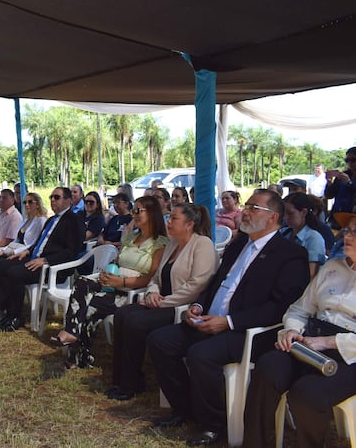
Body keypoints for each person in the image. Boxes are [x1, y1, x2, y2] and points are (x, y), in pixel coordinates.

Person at [147, 189, 310, 446]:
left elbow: (279, 308)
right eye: (247, 205)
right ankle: (184, 408)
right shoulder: (238, 245)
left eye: (254, 208)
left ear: (273, 217)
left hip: (248, 331)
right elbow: (214, 285)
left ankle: (214, 424)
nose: (245, 211)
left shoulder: (290, 254)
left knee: (201, 355)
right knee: (160, 340)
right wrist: (199, 307)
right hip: (211, 319)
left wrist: (229, 322)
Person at [243, 213, 356, 448]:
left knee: (307, 393)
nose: (347, 236)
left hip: (349, 354)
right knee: (268, 367)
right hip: (311, 341)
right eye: (347, 230)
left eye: (355, 232)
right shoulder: (333, 267)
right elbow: (299, 309)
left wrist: (328, 342)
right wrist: (291, 331)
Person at [106, 203, 218, 401]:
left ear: (189, 224)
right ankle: (121, 378)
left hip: (180, 307)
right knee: (122, 314)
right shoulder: (173, 243)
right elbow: (156, 277)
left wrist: (164, 302)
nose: (169, 222)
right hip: (159, 301)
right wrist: (152, 293)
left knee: (135, 322)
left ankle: (130, 383)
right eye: (170, 217)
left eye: (174, 218)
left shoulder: (202, 245)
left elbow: (196, 286)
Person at [52, 195, 168, 369]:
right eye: (133, 210)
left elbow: (151, 277)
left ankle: (77, 355)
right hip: (114, 281)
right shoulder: (130, 238)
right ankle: (71, 333)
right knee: (81, 282)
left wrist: (120, 282)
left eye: (138, 211)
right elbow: (118, 261)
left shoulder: (160, 243)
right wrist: (109, 273)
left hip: (132, 290)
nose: (134, 214)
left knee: (89, 308)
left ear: (152, 214)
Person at [0, 187, 83, 332]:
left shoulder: (74, 220)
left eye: (56, 197)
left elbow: (72, 251)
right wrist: (26, 251)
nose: (52, 200)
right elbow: (39, 242)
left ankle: (16, 316)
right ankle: (7, 311)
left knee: (13, 273)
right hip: (35, 258)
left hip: (54, 267)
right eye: (51, 197)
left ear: (68, 200)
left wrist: (46, 260)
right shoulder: (52, 220)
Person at [0, 192, 48, 310]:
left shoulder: (41, 221)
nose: (27, 205)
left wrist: (13, 252)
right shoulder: (26, 219)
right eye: (24, 202)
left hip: (26, 254)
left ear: (37, 204)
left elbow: (34, 244)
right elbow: (16, 240)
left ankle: (4, 301)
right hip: (15, 250)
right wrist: (5, 250)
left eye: (30, 202)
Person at [281, 192, 326, 279]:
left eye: (290, 213)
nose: (285, 218)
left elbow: (311, 275)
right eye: (284, 213)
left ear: (304, 212)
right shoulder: (283, 232)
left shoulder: (314, 239)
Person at [325, 147, 356, 227]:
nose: (349, 163)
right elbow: (329, 195)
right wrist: (329, 183)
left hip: (352, 218)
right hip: (336, 217)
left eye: (353, 160)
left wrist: (349, 183)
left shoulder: (345, 178)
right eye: (347, 160)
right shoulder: (342, 175)